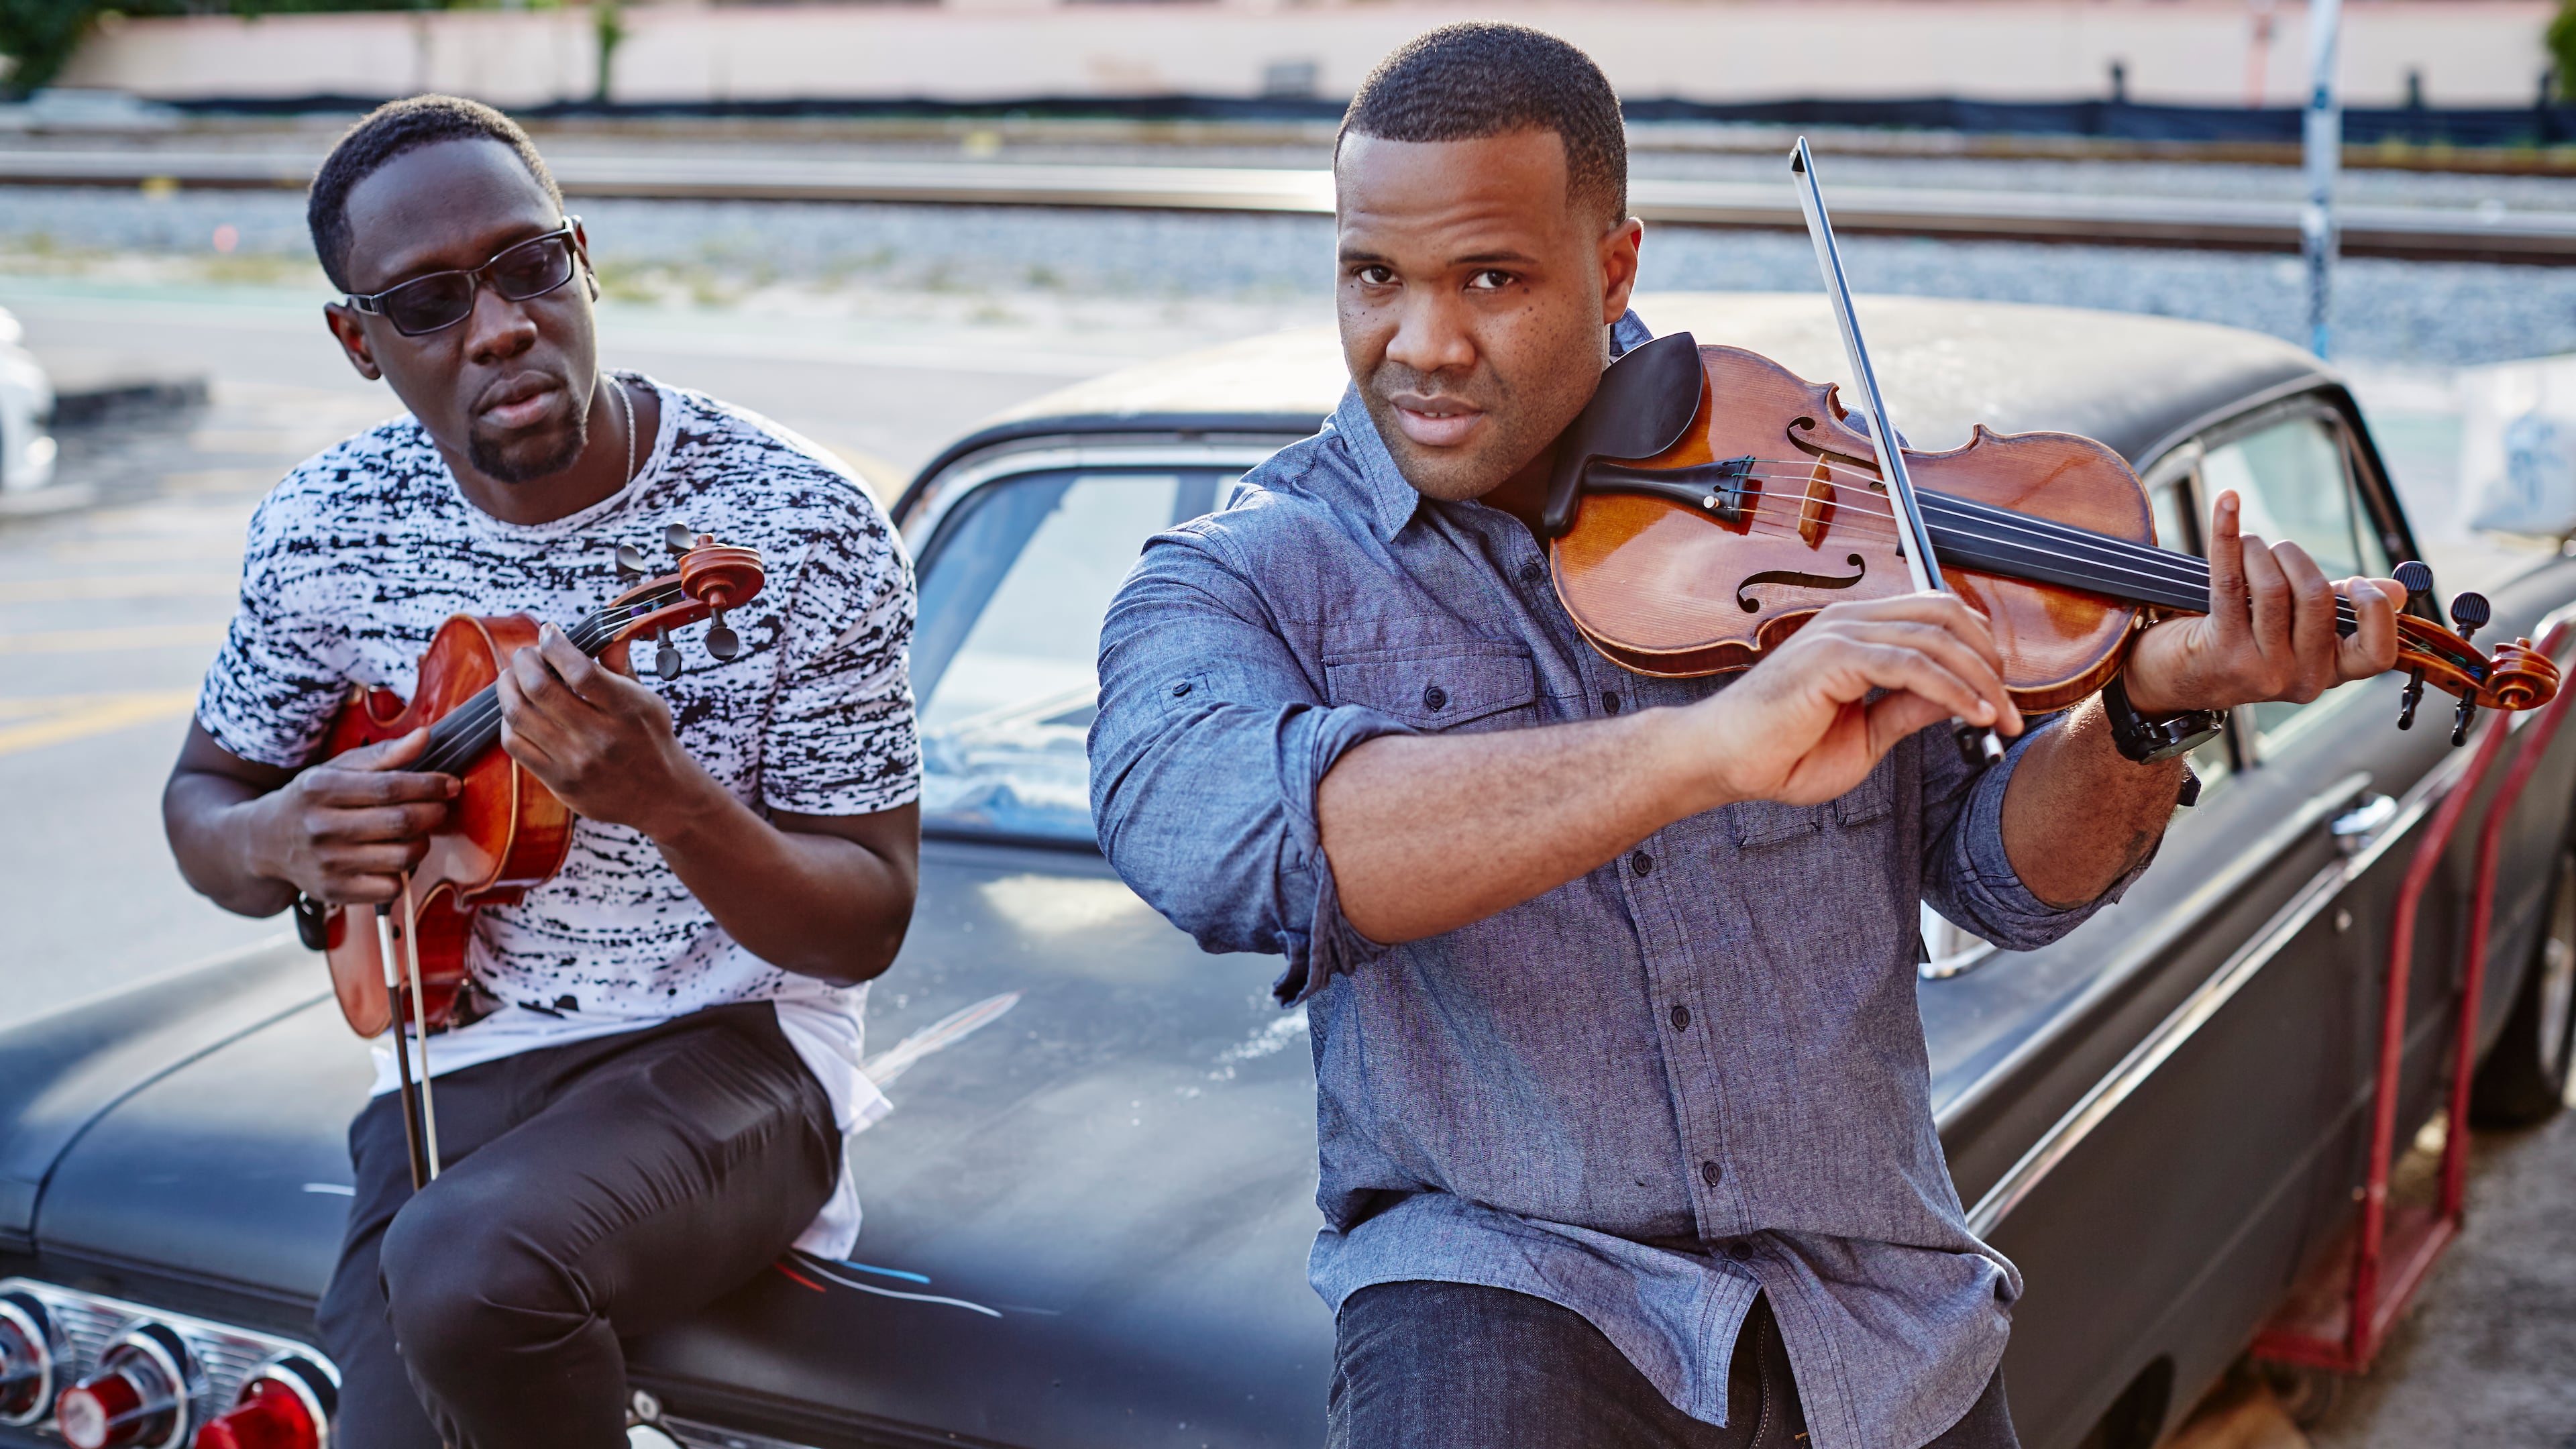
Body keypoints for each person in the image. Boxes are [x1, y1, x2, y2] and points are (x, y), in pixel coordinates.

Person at [1087, 24, 2406, 1449]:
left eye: (1492, 278)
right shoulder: (1249, 571)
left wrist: (2146, 709)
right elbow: (1224, 838)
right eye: (1373, 277)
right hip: (1503, 1297)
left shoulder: (1810, 481)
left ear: (1617, 268)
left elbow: (1997, 877)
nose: (1422, 343)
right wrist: (1708, 747)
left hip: (1877, 1316)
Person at [160, 96, 920, 1449]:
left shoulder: (797, 522)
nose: (501, 325)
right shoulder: (325, 532)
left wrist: (670, 800)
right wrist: (280, 838)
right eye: (428, 301)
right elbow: (203, 808)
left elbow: (865, 920)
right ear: (358, 340)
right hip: (454, 1059)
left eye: (528, 266)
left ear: (581, 258)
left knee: (470, 1268)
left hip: (740, 1049)